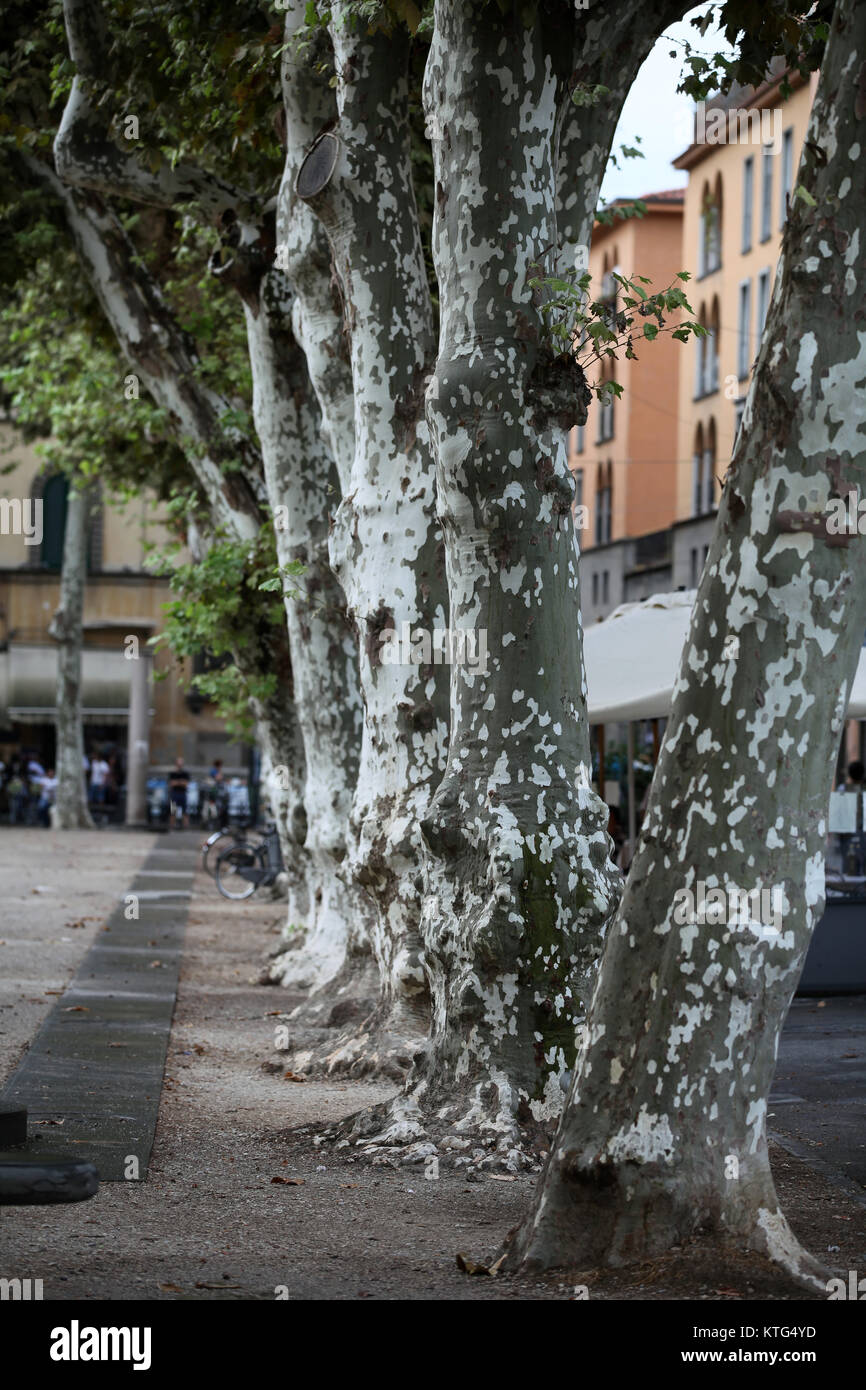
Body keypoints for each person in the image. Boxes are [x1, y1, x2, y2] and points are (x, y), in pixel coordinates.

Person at [169, 756, 191, 829]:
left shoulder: (185, 773)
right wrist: (181, 782)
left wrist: (177, 782)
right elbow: (171, 783)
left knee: (185, 811)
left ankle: (186, 826)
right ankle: (172, 826)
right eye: (179, 762)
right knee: (173, 811)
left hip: (183, 794)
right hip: (174, 794)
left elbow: (186, 784)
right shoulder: (172, 773)